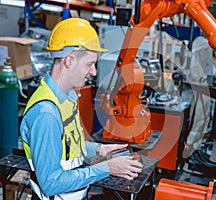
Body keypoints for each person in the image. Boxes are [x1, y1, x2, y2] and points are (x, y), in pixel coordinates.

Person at [20, 18, 143, 200]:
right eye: (89, 64)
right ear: (69, 61)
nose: (93, 71)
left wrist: (99, 149)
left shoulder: (67, 97)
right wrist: (106, 168)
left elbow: (67, 145)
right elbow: (51, 183)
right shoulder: (46, 113)